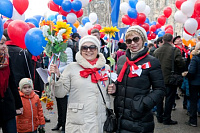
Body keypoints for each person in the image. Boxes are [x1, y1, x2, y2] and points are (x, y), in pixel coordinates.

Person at [50, 35, 113, 133]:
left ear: (97, 49)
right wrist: (57, 77)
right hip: (79, 123)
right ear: (80, 50)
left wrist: (114, 89)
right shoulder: (71, 68)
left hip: (100, 122)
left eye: (92, 47)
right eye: (84, 48)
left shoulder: (106, 69)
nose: (88, 50)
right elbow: (60, 93)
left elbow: (109, 92)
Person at [108, 26, 165, 133]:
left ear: (143, 39)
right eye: (129, 41)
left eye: (136, 39)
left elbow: (160, 90)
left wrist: (143, 104)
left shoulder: (152, 62)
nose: (133, 43)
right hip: (120, 116)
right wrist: (115, 88)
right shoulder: (122, 60)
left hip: (139, 119)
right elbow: (121, 82)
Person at [154, 33, 185, 125]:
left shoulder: (156, 51)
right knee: (169, 99)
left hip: (158, 78)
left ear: (163, 40)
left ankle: (159, 117)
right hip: (170, 79)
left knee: (159, 99)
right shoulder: (175, 50)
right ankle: (167, 119)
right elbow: (181, 63)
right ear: (172, 40)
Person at [0, 35, 23, 133]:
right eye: (1, 43)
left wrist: (18, 104)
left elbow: (12, 83)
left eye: (4, 43)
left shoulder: (7, 60)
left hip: (7, 105)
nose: (4, 46)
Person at [51, 45, 73, 133]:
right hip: (56, 78)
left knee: (64, 104)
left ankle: (64, 124)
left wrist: (57, 70)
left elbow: (69, 64)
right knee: (59, 102)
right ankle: (59, 122)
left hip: (64, 79)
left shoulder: (67, 49)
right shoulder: (54, 49)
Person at [184, 42, 200, 127]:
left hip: (195, 82)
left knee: (193, 101)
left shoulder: (195, 58)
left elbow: (192, 71)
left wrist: (187, 76)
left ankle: (193, 121)